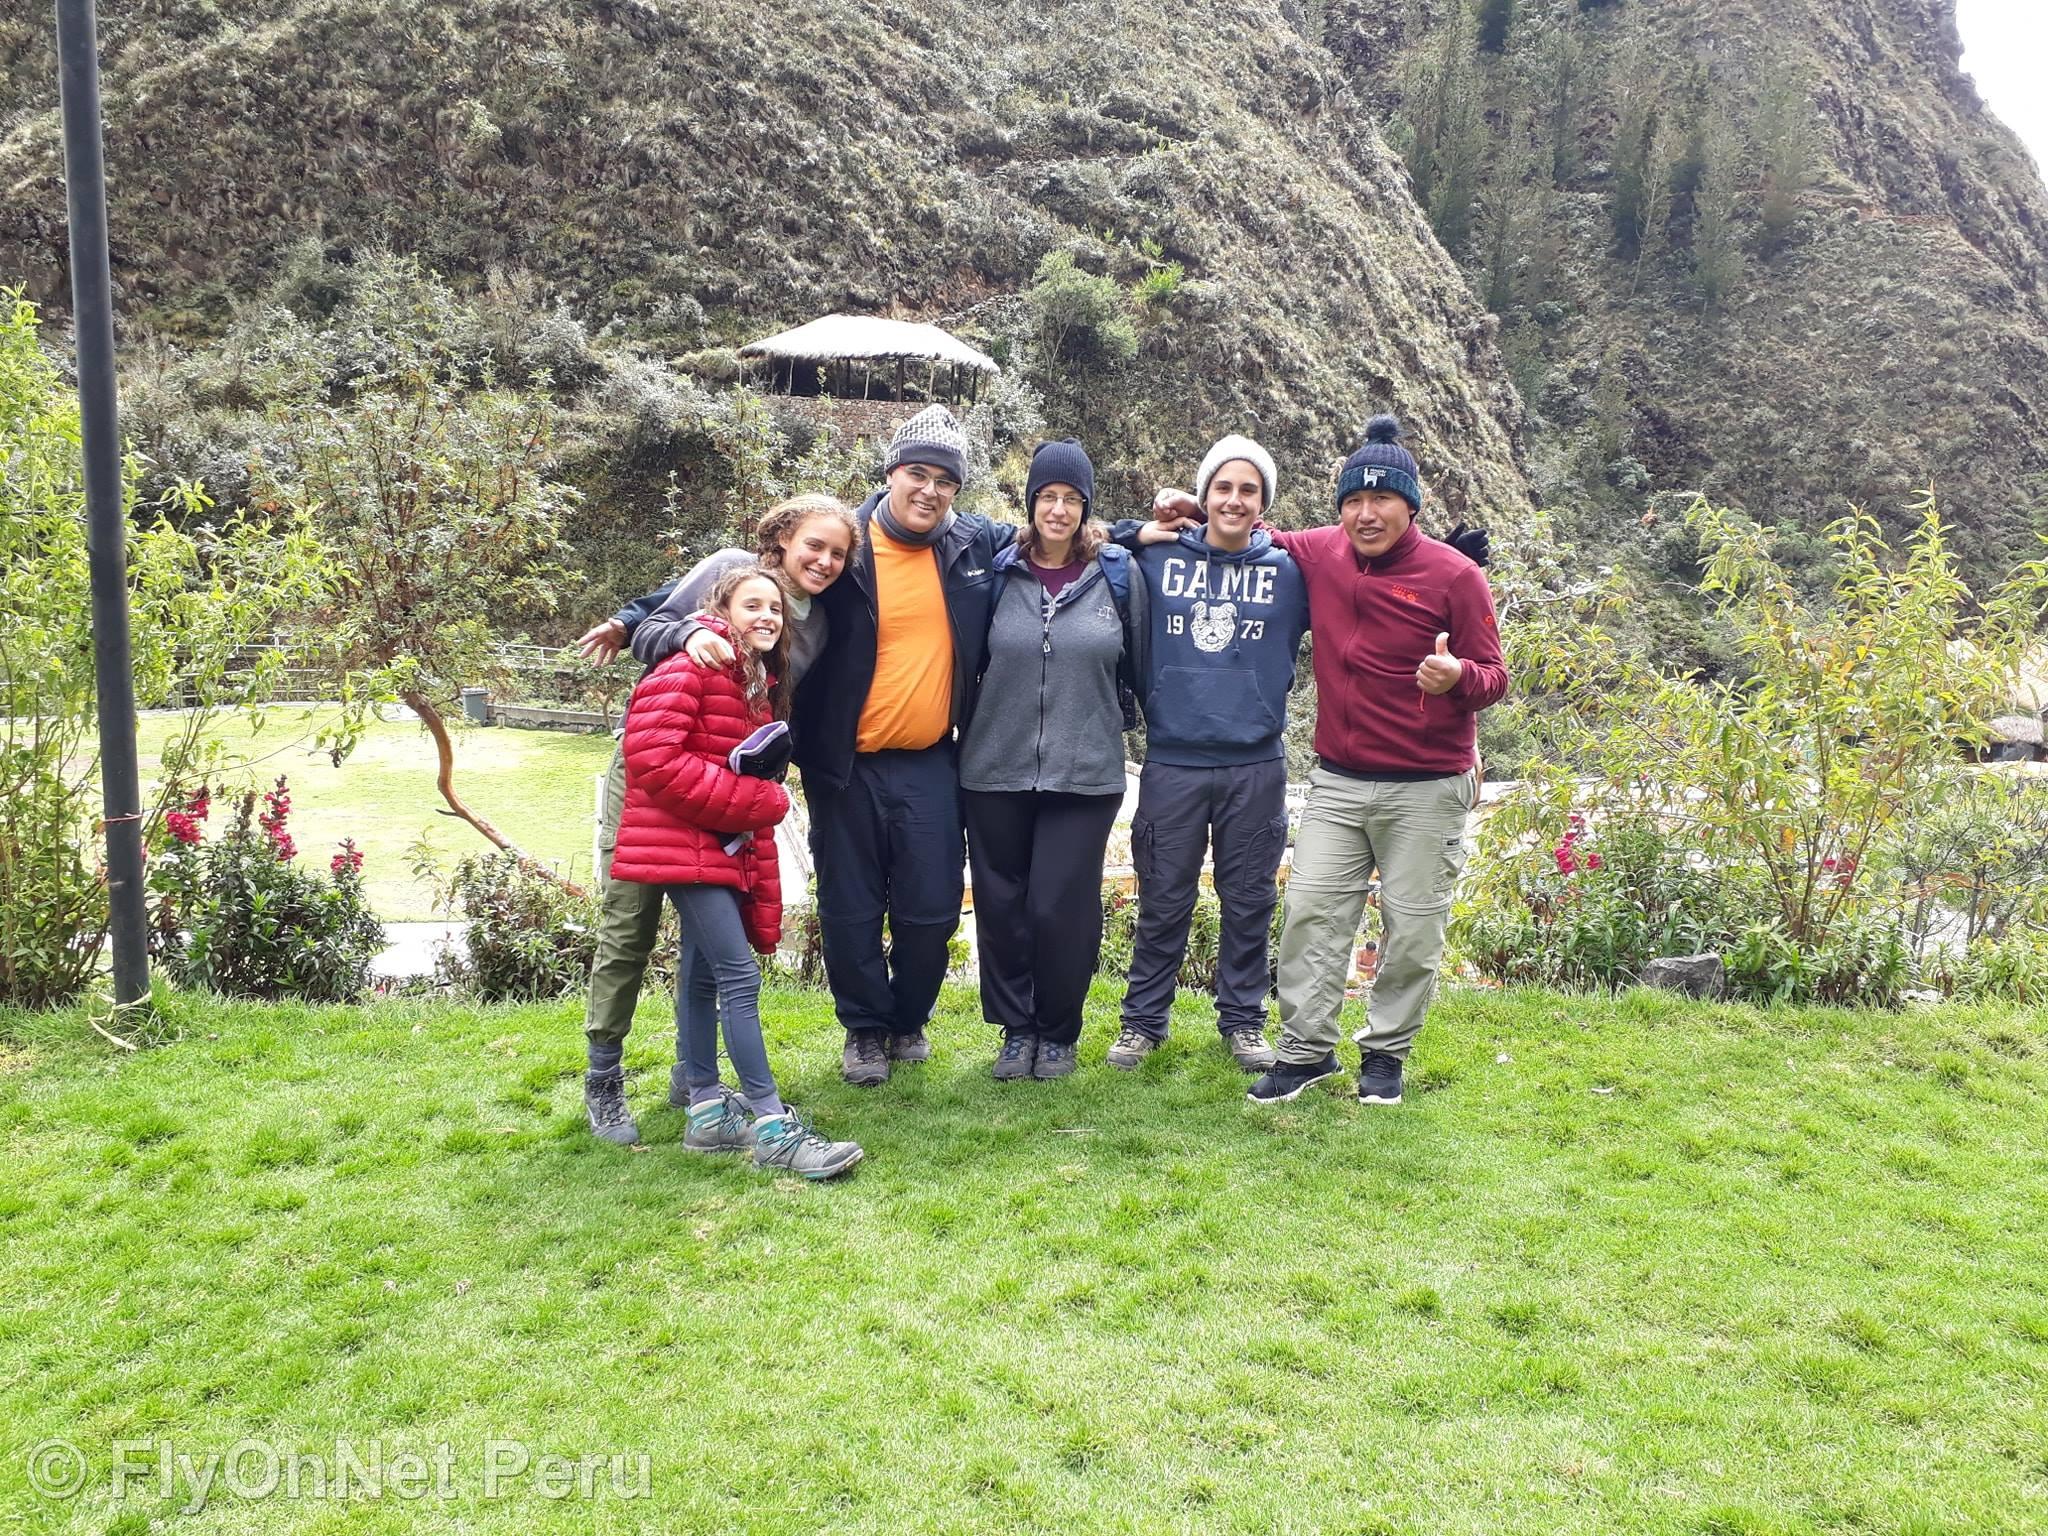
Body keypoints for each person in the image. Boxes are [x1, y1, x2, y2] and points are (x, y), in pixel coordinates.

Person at [1226, 415, 1508, 1107]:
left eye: (1381, 499)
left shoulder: (1456, 576)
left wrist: (1457, 677)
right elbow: (1250, 534)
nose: (1365, 513)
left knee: (1413, 928)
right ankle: (1304, 1052)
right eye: (1353, 500)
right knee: (1310, 914)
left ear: (1410, 505)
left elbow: (1496, 676)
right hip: (1338, 781)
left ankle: (1385, 1054)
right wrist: (1184, 513)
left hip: (1428, 786)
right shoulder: (1322, 552)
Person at [574, 496, 856, 1145]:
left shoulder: (816, 622)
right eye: (815, 544)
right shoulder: (729, 571)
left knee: (710, 944)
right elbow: (654, 623)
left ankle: (694, 1083)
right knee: (631, 922)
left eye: (838, 553)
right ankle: (605, 1078)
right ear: (783, 538)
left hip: (727, 787)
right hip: (661, 772)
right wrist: (682, 632)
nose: (824, 560)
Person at [794, 405, 1019, 1086]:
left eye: (944, 480)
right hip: (845, 766)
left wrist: (1150, 526)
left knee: (931, 907)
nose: (929, 490)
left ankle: (908, 1017)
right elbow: (751, 575)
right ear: (891, 471)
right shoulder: (843, 545)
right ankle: (864, 1029)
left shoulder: (971, 544)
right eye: (917, 473)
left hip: (931, 761)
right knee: (849, 905)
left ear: (957, 489)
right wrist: (638, 620)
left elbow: (1057, 533)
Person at [1103, 435, 1309, 1074]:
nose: (1235, 500)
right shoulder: (1154, 562)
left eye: (1249, 490)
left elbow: (1362, 579)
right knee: (1163, 896)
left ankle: (1244, 1023)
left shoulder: (1288, 572)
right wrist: (1140, 528)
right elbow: (1084, 537)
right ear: (1203, 494)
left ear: (1263, 502)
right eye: (1223, 487)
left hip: (1256, 761)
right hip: (1173, 759)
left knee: (1250, 898)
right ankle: (1143, 1023)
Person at [957, 439, 1146, 1081]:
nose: (1058, 510)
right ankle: (1017, 1030)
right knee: (1003, 904)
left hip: (1086, 771)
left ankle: (1059, 1029)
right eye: (1047, 497)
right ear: (1030, 502)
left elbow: (1142, 667)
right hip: (993, 766)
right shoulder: (996, 572)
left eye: (1070, 499)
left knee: (1059, 905)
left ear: (1086, 506)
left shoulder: (1118, 574)